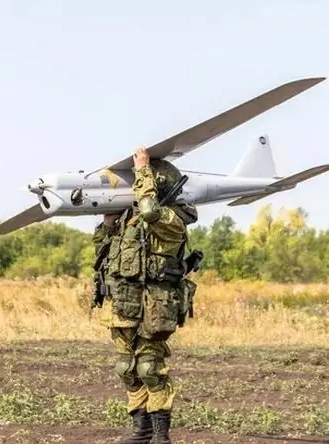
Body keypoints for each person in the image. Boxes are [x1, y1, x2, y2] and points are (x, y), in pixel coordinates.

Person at [92, 145, 199, 444]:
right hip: (123, 304)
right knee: (126, 368)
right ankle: (141, 430)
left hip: (154, 305)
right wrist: (108, 223)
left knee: (150, 368)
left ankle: (161, 434)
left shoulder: (172, 219)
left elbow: (150, 210)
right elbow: (102, 253)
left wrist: (142, 170)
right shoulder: (130, 218)